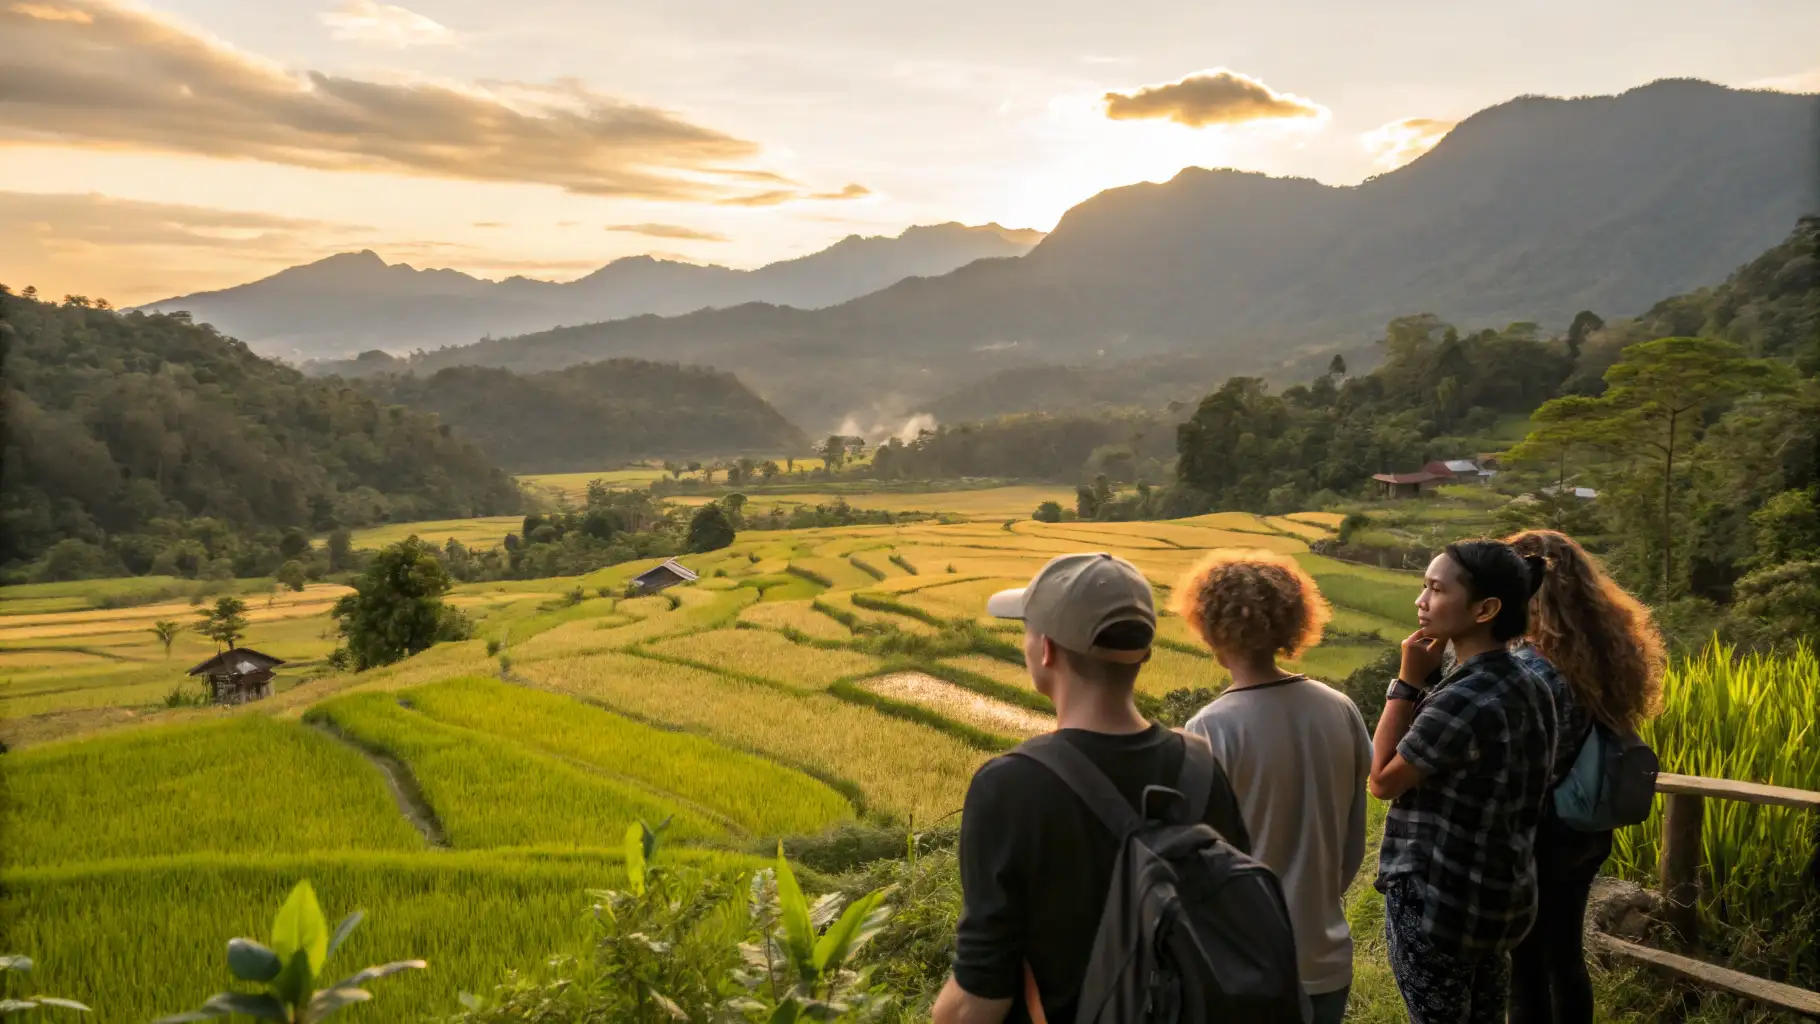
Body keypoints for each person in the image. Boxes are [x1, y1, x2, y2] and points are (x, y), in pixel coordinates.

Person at [933, 552, 1253, 1024]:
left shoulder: (1009, 786)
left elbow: (981, 996)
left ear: (1045, 650)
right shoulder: (1202, 765)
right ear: (1142, 653)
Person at [1174, 550, 1371, 1024]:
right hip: (1324, 955)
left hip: (1244, 966)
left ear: (1207, 626)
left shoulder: (1210, 729)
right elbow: (1352, 840)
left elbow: (1192, 869)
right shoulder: (1339, 708)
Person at [1367, 539, 1558, 1024]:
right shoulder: (1533, 683)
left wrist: (1407, 684)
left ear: (1485, 609)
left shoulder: (1462, 699)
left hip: (1439, 903)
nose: (1421, 601)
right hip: (1500, 900)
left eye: (1435, 588)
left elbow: (1382, 779)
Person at [1505, 530, 1665, 1024]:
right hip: (1589, 822)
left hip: (1543, 830)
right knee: (1564, 953)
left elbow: (1531, 765)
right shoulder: (1604, 653)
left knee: (1526, 963)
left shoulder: (1534, 668)